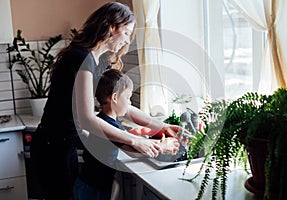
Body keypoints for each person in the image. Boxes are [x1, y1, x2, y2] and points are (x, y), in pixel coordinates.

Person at [30, 2, 183, 200]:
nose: (127, 40)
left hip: (64, 145)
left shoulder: (97, 60)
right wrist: (135, 139)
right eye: (126, 32)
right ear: (112, 27)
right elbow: (87, 119)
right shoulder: (80, 58)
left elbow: (125, 108)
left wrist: (162, 126)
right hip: (52, 148)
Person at [74, 69, 179, 200]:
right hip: (92, 190)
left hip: (88, 183)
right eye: (128, 97)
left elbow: (133, 142)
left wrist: (158, 137)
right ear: (115, 98)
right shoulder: (110, 126)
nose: (129, 103)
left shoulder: (102, 120)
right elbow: (134, 150)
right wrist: (162, 147)